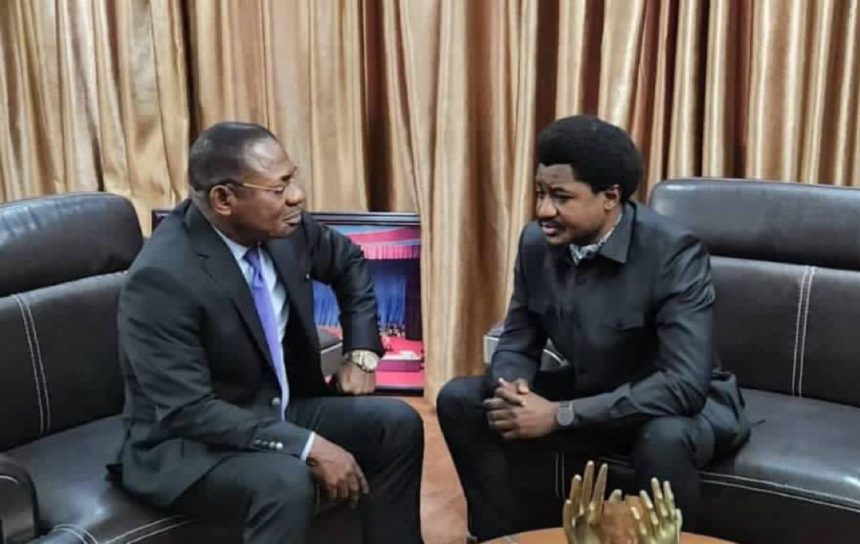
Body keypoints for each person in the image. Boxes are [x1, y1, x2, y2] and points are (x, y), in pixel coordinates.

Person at [437, 115, 749, 542]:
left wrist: (559, 415)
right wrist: (514, 388)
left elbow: (684, 385)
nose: (544, 210)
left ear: (610, 198)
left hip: (673, 405)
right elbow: (518, 338)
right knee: (461, 399)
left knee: (663, 438)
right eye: (541, 193)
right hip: (591, 390)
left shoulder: (672, 252)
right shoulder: (536, 244)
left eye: (561, 197)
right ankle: (503, 537)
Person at [116, 121, 424, 543]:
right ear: (224, 199)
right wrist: (308, 444)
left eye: (291, 180)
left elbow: (348, 261)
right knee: (286, 482)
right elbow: (188, 410)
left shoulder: (284, 229)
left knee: (397, 425)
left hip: (276, 406)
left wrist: (360, 353)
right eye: (278, 189)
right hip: (190, 444)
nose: (296, 196)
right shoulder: (162, 278)